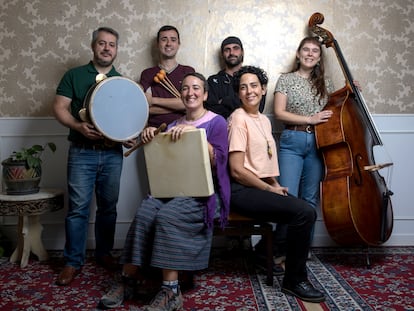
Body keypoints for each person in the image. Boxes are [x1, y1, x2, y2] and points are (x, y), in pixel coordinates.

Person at [99, 72, 230, 310]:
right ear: (181, 94)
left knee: (167, 216)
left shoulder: (216, 121)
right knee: (144, 213)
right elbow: (165, 163)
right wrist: (151, 136)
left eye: (196, 88)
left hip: (203, 194)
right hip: (171, 191)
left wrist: (197, 136)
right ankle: (127, 280)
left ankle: (171, 292)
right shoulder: (172, 125)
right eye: (186, 88)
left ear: (205, 94)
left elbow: (218, 161)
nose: (191, 92)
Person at [227, 65, 325, 303]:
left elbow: (261, 163)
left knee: (301, 209)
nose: (249, 91)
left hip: (259, 185)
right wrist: (269, 189)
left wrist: (275, 184)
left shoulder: (263, 120)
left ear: (263, 89)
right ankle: (294, 280)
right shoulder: (238, 119)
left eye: (254, 85)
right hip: (241, 191)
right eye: (243, 87)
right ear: (238, 93)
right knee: (304, 212)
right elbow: (238, 170)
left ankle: (262, 253)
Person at [52, 27, 135, 286]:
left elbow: (124, 121)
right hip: (81, 153)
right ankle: (72, 262)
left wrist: (128, 135)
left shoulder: (121, 82)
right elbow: (59, 107)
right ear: (93, 46)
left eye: (112, 44)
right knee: (78, 209)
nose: (107, 48)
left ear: (116, 50)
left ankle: (103, 254)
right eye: (102, 43)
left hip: (112, 155)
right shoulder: (74, 75)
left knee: (108, 208)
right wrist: (78, 126)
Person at [272, 36, 335, 258]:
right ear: (298, 54)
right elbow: (279, 113)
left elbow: (336, 111)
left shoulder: (325, 84)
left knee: (309, 199)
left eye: (314, 51)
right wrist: (310, 118)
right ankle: (279, 249)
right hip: (292, 140)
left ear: (319, 58)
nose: (309, 54)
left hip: (319, 143)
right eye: (305, 50)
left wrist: (352, 90)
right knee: (288, 197)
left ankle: (301, 250)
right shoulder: (286, 79)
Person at [139, 25, 195, 128]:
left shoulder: (188, 71)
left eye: (173, 40)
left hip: (182, 130)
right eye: (164, 39)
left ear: (178, 44)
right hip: (154, 132)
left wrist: (154, 101)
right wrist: (180, 105)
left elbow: (190, 105)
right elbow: (145, 108)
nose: (168, 43)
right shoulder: (147, 74)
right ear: (157, 44)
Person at [206, 36, 264, 119]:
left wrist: (225, 101)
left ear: (242, 52)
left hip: (249, 127)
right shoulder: (213, 81)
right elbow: (211, 111)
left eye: (235, 48)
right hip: (221, 128)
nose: (231, 53)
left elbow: (258, 108)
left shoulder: (254, 78)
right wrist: (240, 103)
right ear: (222, 54)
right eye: (227, 49)